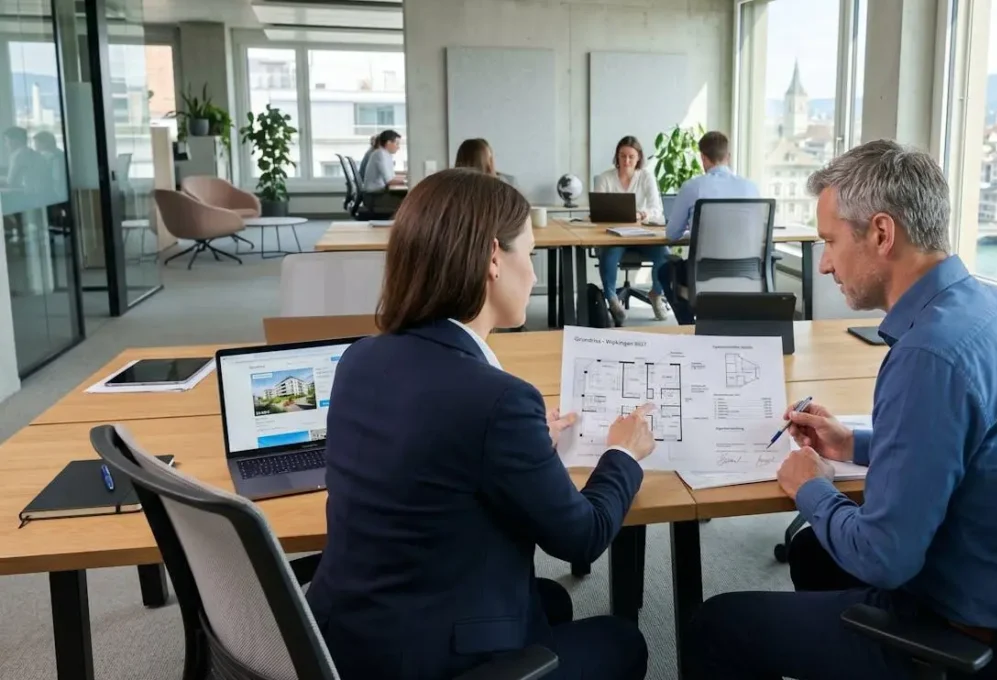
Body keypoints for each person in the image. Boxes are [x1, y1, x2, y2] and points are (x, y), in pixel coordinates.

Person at [684, 140, 997, 680]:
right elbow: (959, 445)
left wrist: (810, 486)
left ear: (881, 233)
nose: (822, 264)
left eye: (829, 242)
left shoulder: (928, 355)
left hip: (974, 631)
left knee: (715, 625)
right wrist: (851, 444)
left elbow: (884, 558)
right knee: (811, 553)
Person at [306, 169, 654, 680]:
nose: (534, 275)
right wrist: (622, 454)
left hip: (347, 640)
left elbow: (435, 448)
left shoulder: (359, 358)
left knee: (551, 600)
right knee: (625, 642)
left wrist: (525, 443)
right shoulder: (499, 400)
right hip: (429, 662)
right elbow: (583, 537)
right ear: (494, 257)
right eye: (529, 255)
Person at [658, 130, 758, 324]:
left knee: (663, 272)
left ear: (703, 158)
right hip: (746, 273)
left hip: (704, 274)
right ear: (728, 157)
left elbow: (671, 234)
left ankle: (690, 328)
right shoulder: (751, 187)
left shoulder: (693, 187)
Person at [593, 135, 669, 323]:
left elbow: (657, 209)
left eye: (631, 157)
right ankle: (612, 299)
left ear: (638, 158)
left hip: (643, 235)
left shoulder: (646, 177)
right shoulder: (604, 179)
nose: (626, 161)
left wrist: (641, 215)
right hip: (614, 235)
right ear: (617, 157)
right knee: (609, 254)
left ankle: (655, 294)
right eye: (622, 156)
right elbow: (598, 211)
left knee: (664, 255)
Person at [357, 129, 406, 215]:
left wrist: (407, 178)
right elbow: (389, 181)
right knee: (410, 202)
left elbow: (392, 177)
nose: (398, 147)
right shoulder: (380, 154)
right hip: (374, 198)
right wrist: (406, 181)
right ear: (388, 143)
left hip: (378, 194)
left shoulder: (385, 154)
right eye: (397, 143)